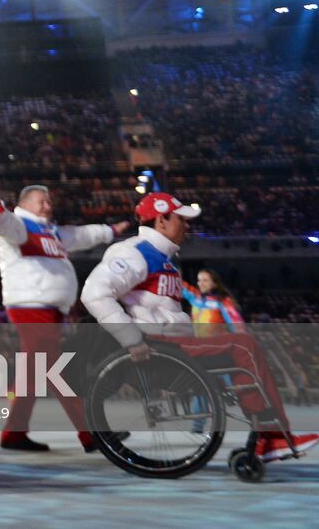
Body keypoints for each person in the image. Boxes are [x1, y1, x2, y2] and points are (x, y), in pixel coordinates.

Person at [81, 192, 317, 463]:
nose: (188, 226)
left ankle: (267, 434)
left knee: (242, 347)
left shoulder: (164, 258)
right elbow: (94, 294)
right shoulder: (134, 252)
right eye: (182, 219)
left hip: (173, 341)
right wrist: (131, 339)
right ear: (161, 220)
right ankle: (271, 436)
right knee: (243, 345)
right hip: (160, 345)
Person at [0, 175, 127, 453]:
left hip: (48, 309)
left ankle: (14, 432)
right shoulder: (20, 226)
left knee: (34, 373)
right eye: (41, 201)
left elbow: (82, 235)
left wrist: (111, 231)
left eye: (49, 201)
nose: (48, 205)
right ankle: (90, 432)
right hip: (30, 306)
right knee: (57, 370)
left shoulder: (52, 232)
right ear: (24, 204)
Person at [182, 268, 244, 335]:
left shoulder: (222, 301)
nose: (201, 284)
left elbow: (237, 324)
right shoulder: (195, 297)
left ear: (214, 283)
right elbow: (179, 284)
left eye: (205, 281)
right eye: (199, 280)